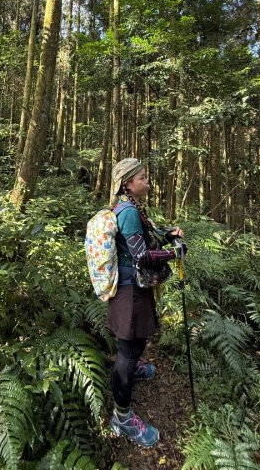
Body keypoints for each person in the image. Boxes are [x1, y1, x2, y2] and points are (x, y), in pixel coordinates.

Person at [108, 158, 185, 448]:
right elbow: (141, 256)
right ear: (128, 183)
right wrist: (173, 254)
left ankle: (134, 370)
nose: (146, 179)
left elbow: (146, 235)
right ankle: (122, 418)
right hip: (129, 291)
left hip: (135, 288)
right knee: (127, 350)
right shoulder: (127, 212)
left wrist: (167, 235)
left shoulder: (134, 207)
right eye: (142, 176)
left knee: (135, 343)